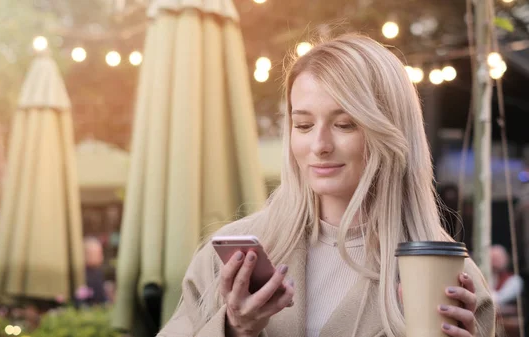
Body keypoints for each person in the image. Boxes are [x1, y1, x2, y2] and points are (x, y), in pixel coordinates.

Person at [158, 34, 495, 337]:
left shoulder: (451, 276)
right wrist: (233, 330)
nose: (319, 144)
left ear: (392, 132)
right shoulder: (232, 258)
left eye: (345, 124)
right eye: (303, 125)